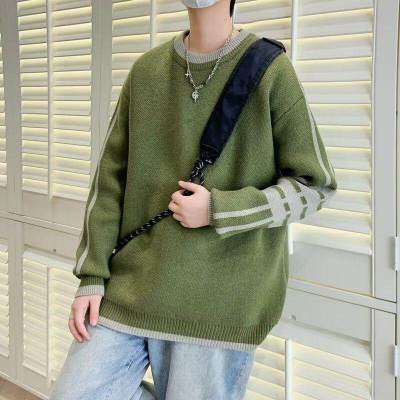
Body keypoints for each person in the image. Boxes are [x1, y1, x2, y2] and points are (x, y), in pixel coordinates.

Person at [49, 0, 338, 399]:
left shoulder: (271, 70)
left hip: (217, 305)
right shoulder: (146, 72)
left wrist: (220, 210)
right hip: (130, 292)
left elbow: (315, 185)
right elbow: (109, 182)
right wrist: (91, 275)